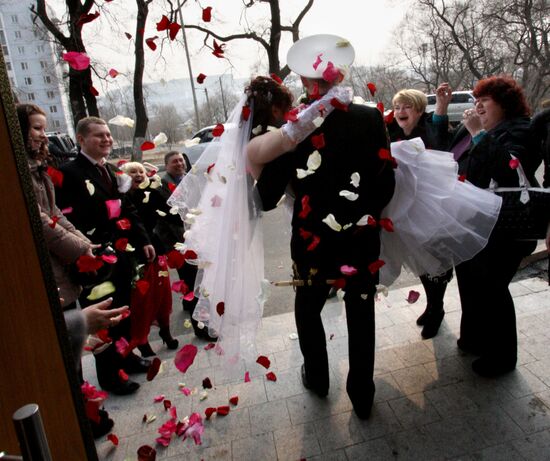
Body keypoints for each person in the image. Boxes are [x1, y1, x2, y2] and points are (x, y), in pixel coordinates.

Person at [247, 35, 396, 419]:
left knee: (309, 307)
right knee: (361, 310)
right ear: (341, 74)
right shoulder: (369, 118)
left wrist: (253, 162)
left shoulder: (292, 128)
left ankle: (317, 376)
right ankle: (362, 392)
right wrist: (366, 215)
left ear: (303, 82)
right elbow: (385, 181)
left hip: (312, 239)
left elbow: (266, 198)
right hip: (361, 235)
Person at [55, 116, 155, 395]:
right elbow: (63, 219)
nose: (107, 140)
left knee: (123, 309)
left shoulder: (111, 171)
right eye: (99, 135)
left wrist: (143, 239)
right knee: (104, 317)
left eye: (109, 135)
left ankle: (126, 357)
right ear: (81, 139)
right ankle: (110, 376)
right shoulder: (69, 173)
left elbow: (128, 210)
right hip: (93, 259)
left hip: (120, 253)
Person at [449, 76, 541, 377]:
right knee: (470, 281)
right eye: (476, 100)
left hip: (507, 228)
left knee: (493, 289)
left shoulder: (520, 129)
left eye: (484, 100)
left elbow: (510, 169)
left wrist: (479, 134)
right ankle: (474, 338)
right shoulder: (475, 130)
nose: (478, 106)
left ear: (504, 103)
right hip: (476, 222)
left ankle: (503, 357)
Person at [386, 85, 454, 339]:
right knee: (420, 261)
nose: (400, 111)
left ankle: (437, 309)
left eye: (407, 107)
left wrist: (442, 107)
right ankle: (432, 304)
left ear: (418, 110)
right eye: (397, 107)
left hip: (432, 204)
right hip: (404, 206)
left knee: (436, 259)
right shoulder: (389, 132)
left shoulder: (430, 127)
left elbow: (441, 145)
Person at [120, 161, 179, 354]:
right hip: (134, 252)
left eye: (141, 172)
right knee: (142, 300)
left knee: (163, 295)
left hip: (155, 248)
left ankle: (166, 331)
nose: (138, 175)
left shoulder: (152, 192)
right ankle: (142, 340)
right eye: (132, 172)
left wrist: (158, 186)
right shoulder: (121, 196)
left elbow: (172, 212)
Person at [157, 151, 215, 340]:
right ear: (167, 165)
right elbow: (167, 219)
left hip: (195, 237)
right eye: (175, 162)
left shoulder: (190, 179)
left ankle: (189, 305)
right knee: (192, 281)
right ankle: (200, 328)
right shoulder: (162, 185)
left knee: (192, 279)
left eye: (181, 160)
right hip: (180, 241)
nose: (180, 164)